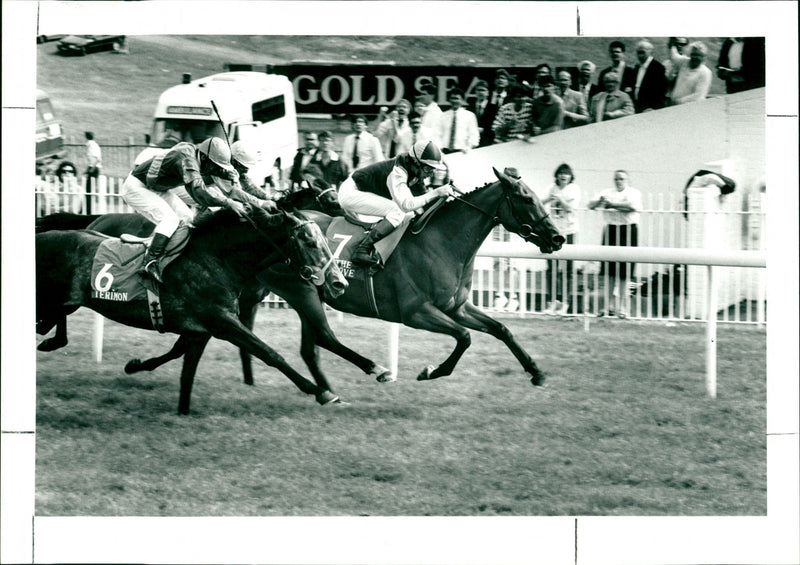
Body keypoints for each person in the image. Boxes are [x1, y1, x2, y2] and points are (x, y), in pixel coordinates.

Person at [121, 137, 248, 283]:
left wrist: (227, 173)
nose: (213, 170)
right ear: (204, 158)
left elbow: (205, 177)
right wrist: (228, 203)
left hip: (158, 188)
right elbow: (199, 192)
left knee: (187, 216)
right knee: (170, 220)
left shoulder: (197, 156)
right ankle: (149, 263)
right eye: (214, 166)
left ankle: (170, 256)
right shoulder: (186, 160)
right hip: (136, 187)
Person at [337, 140, 455, 266]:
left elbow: (423, 207)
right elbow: (406, 205)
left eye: (433, 170)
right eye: (427, 168)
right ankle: (362, 250)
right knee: (397, 211)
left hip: (363, 191)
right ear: (416, 162)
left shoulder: (415, 172)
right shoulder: (398, 172)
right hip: (351, 192)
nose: (430, 173)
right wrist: (437, 192)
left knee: (408, 215)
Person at [587, 170, 642, 318]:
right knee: (609, 272)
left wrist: (611, 204)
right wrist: (600, 202)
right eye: (616, 179)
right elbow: (590, 205)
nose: (619, 181)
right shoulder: (607, 192)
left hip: (628, 230)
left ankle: (623, 308)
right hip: (611, 229)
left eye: (622, 179)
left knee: (625, 272)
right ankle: (609, 307)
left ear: (628, 181)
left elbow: (631, 207)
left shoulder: (634, 193)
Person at [542, 163, 581, 315]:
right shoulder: (551, 187)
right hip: (553, 231)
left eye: (566, 173)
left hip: (569, 231)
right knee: (552, 267)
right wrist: (548, 198)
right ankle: (552, 302)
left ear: (571, 176)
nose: (563, 176)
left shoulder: (574, 189)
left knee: (568, 269)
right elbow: (539, 202)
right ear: (556, 175)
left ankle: (565, 302)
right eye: (561, 173)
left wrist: (560, 199)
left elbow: (571, 208)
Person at [669, 41, 712, 105]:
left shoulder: (706, 72)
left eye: (698, 55)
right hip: (673, 103)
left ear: (703, 57)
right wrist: (673, 44)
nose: (695, 57)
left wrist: (679, 102)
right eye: (693, 54)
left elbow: (699, 95)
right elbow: (674, 57)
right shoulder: (684, 62)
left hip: (690, 107)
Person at [437, 88, 479, 154]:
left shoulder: (470, 115)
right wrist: (439, 149)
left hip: (462, 151)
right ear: (449, 100)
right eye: (452, 98)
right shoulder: (442, 116)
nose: (454, 101)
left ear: (462, 100)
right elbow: (437, 134)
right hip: (444, 151)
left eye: (457, 98)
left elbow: (474, 134)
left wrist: (469, 147)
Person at [632, 39, 667, 113]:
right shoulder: (637, 67)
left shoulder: (658, 68)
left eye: (642, 52)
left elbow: (660, 91)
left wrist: (652, 107)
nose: (640, 56)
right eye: (638, 53)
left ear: (650, 51)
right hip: (638, 108)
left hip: (651, 109)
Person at [468, 79, 497, 147]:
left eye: (483, 90)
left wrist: (484, 130)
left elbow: (495, 127)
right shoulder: (469, 108)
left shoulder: (494, 108)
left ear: (488, 93)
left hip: (488, 143)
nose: (480, 92)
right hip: (472, 143)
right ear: (475, 92)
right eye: (478, 90)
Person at [662, 37, 689, 101]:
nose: (679, 46)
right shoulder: (665, 64)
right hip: (668, 97)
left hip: (683, 99)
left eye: (683, 44)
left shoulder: (689, 63)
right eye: (677, 44)